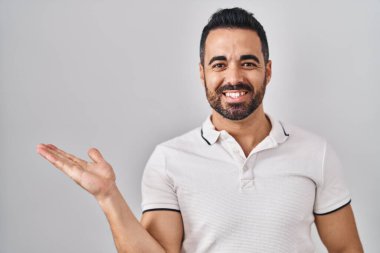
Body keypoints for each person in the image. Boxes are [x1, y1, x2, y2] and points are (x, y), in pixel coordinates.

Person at [37, 7, 364, 253]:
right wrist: (108, 197)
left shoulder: (315, 153)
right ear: (202, 73)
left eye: (248, 63)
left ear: (268, 70)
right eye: (219, 64)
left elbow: (347, 249)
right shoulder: (169, 159)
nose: (233, 78)